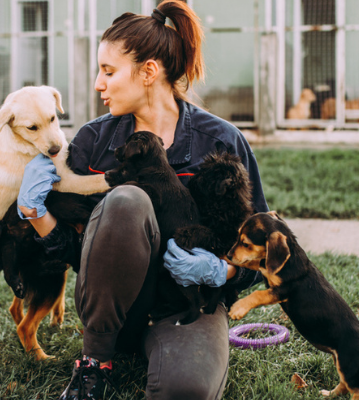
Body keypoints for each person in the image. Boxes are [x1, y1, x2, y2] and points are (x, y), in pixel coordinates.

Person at [16, 1, 269, 399]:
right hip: (113, 313)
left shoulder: (221, 142)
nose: (98, 83)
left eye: (109, 71)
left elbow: (261, 251)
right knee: (128, 200)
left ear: (149, 71)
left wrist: (222, 272)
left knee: (185, 390)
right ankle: (94, 365)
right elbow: (75, 252)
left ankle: (168, 353)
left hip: (186, 308)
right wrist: (37, 214)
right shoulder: (93, 142)